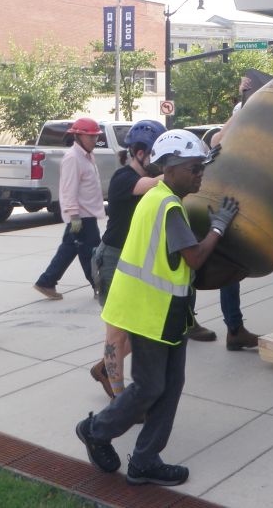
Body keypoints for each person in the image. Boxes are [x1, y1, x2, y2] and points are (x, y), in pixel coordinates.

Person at [75, 129, 240, 487]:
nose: (200, 175)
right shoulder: (167, 206)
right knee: (150, 387)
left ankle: (146, 459)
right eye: (194, 168)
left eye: (201, 168)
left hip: (166, 313)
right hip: (149, 313)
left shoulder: (162, 198)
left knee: (171, 384)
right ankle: (96, 431)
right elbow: (194, 258)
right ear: (172, 168)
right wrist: (219, 226)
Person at [89, 120, 165, 399]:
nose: (161, 164)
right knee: (117, 333)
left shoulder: (151, 181)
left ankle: (104, 369)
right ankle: (121, 399)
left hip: (135, 261)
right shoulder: (124, 178)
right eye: (158, 156)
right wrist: (179, 168)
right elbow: (150, 184)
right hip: (112, 260)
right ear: (140, 152)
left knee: (141, 330)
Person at [205, 73, 264, 351]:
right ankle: (229, 327)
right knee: (195, 265)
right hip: (215, 203)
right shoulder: (230, 133)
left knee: (229, 268)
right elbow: (218, 138)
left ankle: (234, 328)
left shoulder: (258, 134)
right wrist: (243, 104)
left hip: (230, 205)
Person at [34, 117, 105, 300]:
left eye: (96, 137)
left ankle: (46, 282)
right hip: (81, 216)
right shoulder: (73, 158)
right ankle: (100, 287)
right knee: (91, 253)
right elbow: (68, 190)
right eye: (91, 137)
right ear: (78, 136)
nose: (94, 141)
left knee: (70, 249)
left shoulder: (85, 156)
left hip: (86, 215)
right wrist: (74, 216)